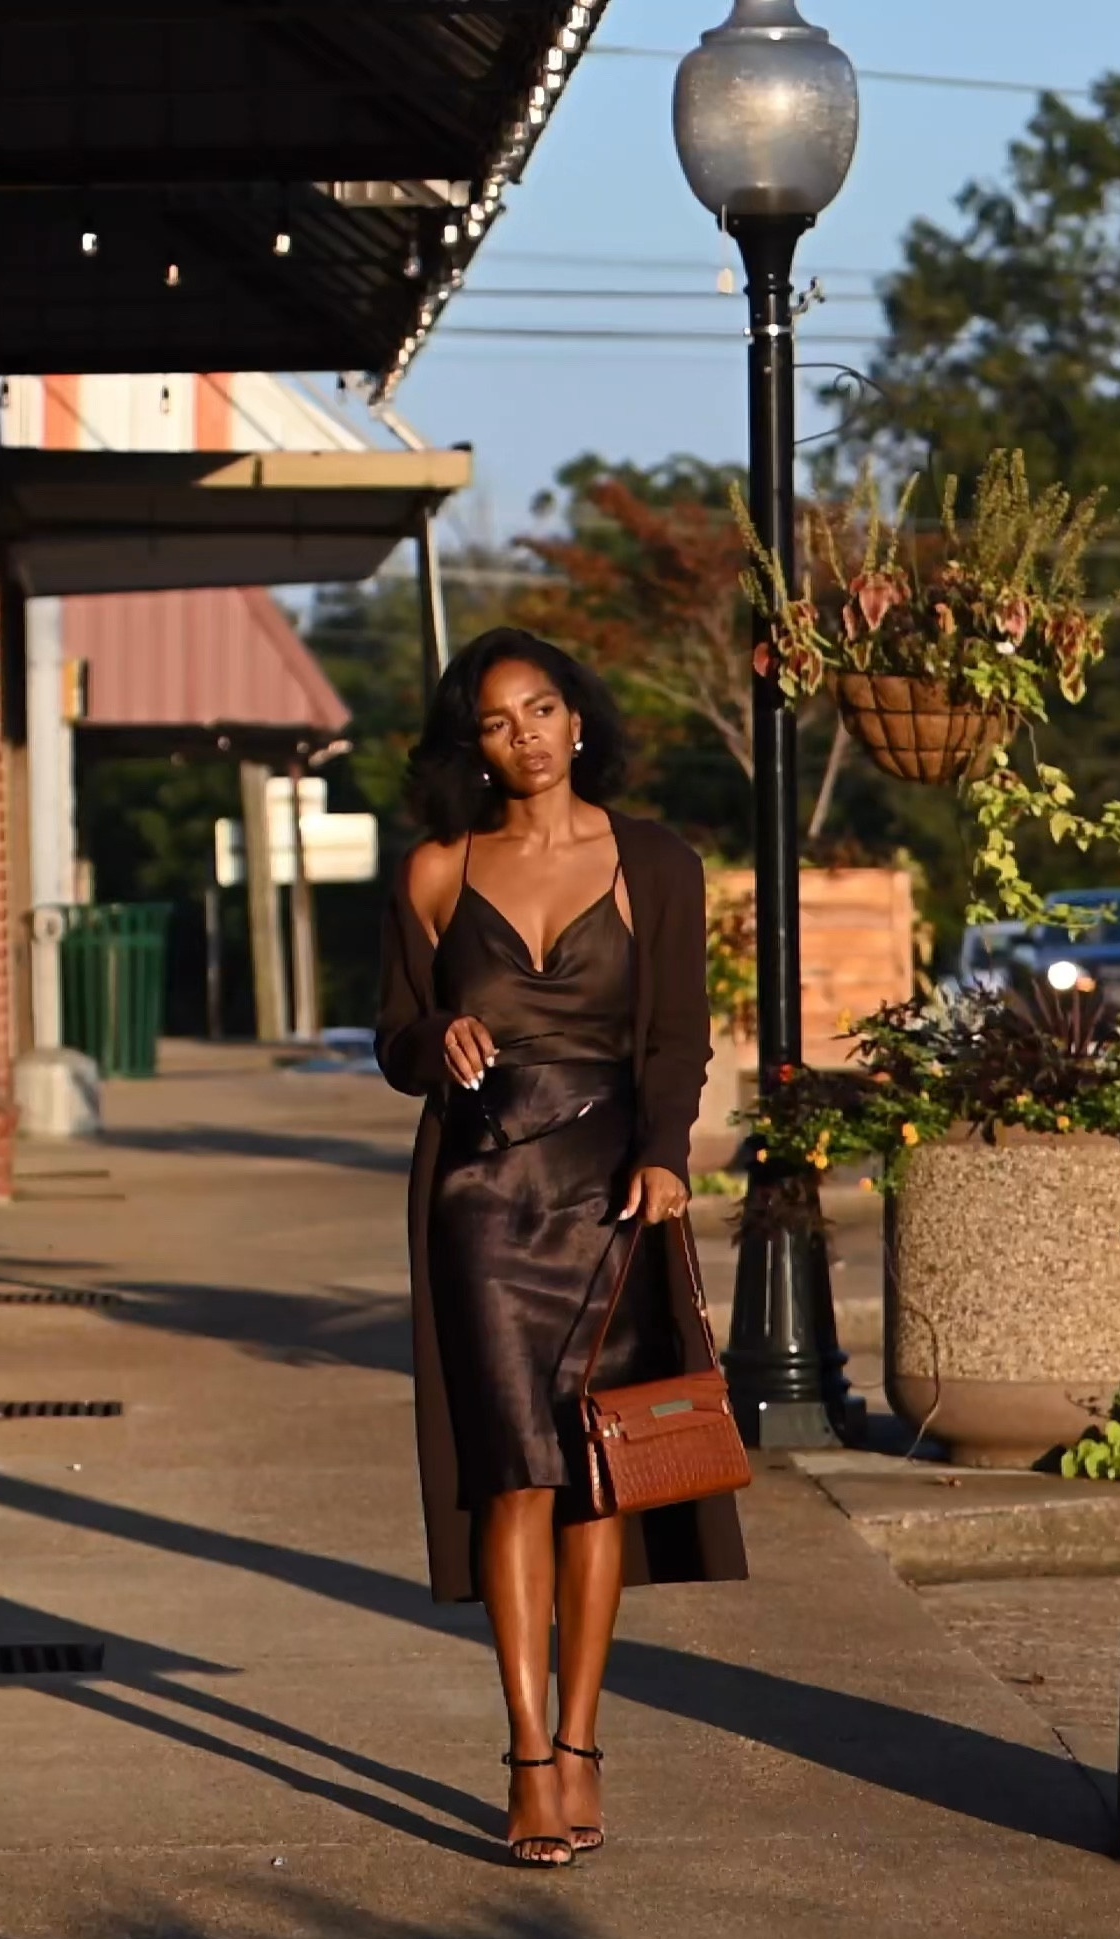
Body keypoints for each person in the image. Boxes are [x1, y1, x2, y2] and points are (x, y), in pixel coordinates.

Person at [376, 627, 747, 1868]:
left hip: (610, 1196)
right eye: (496, 719)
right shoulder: (435, 871)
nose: (524, 734)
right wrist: (442, 1045)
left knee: (599, 1473)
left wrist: (664, 1153)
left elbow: (675, 1037)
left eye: (541, 710)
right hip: (482, 1200)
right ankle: (528, 1758)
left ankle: (584, 1739)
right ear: (470, 743)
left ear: (578, 721)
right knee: (511, 1472)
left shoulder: (654, 861)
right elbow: (393, 1039)